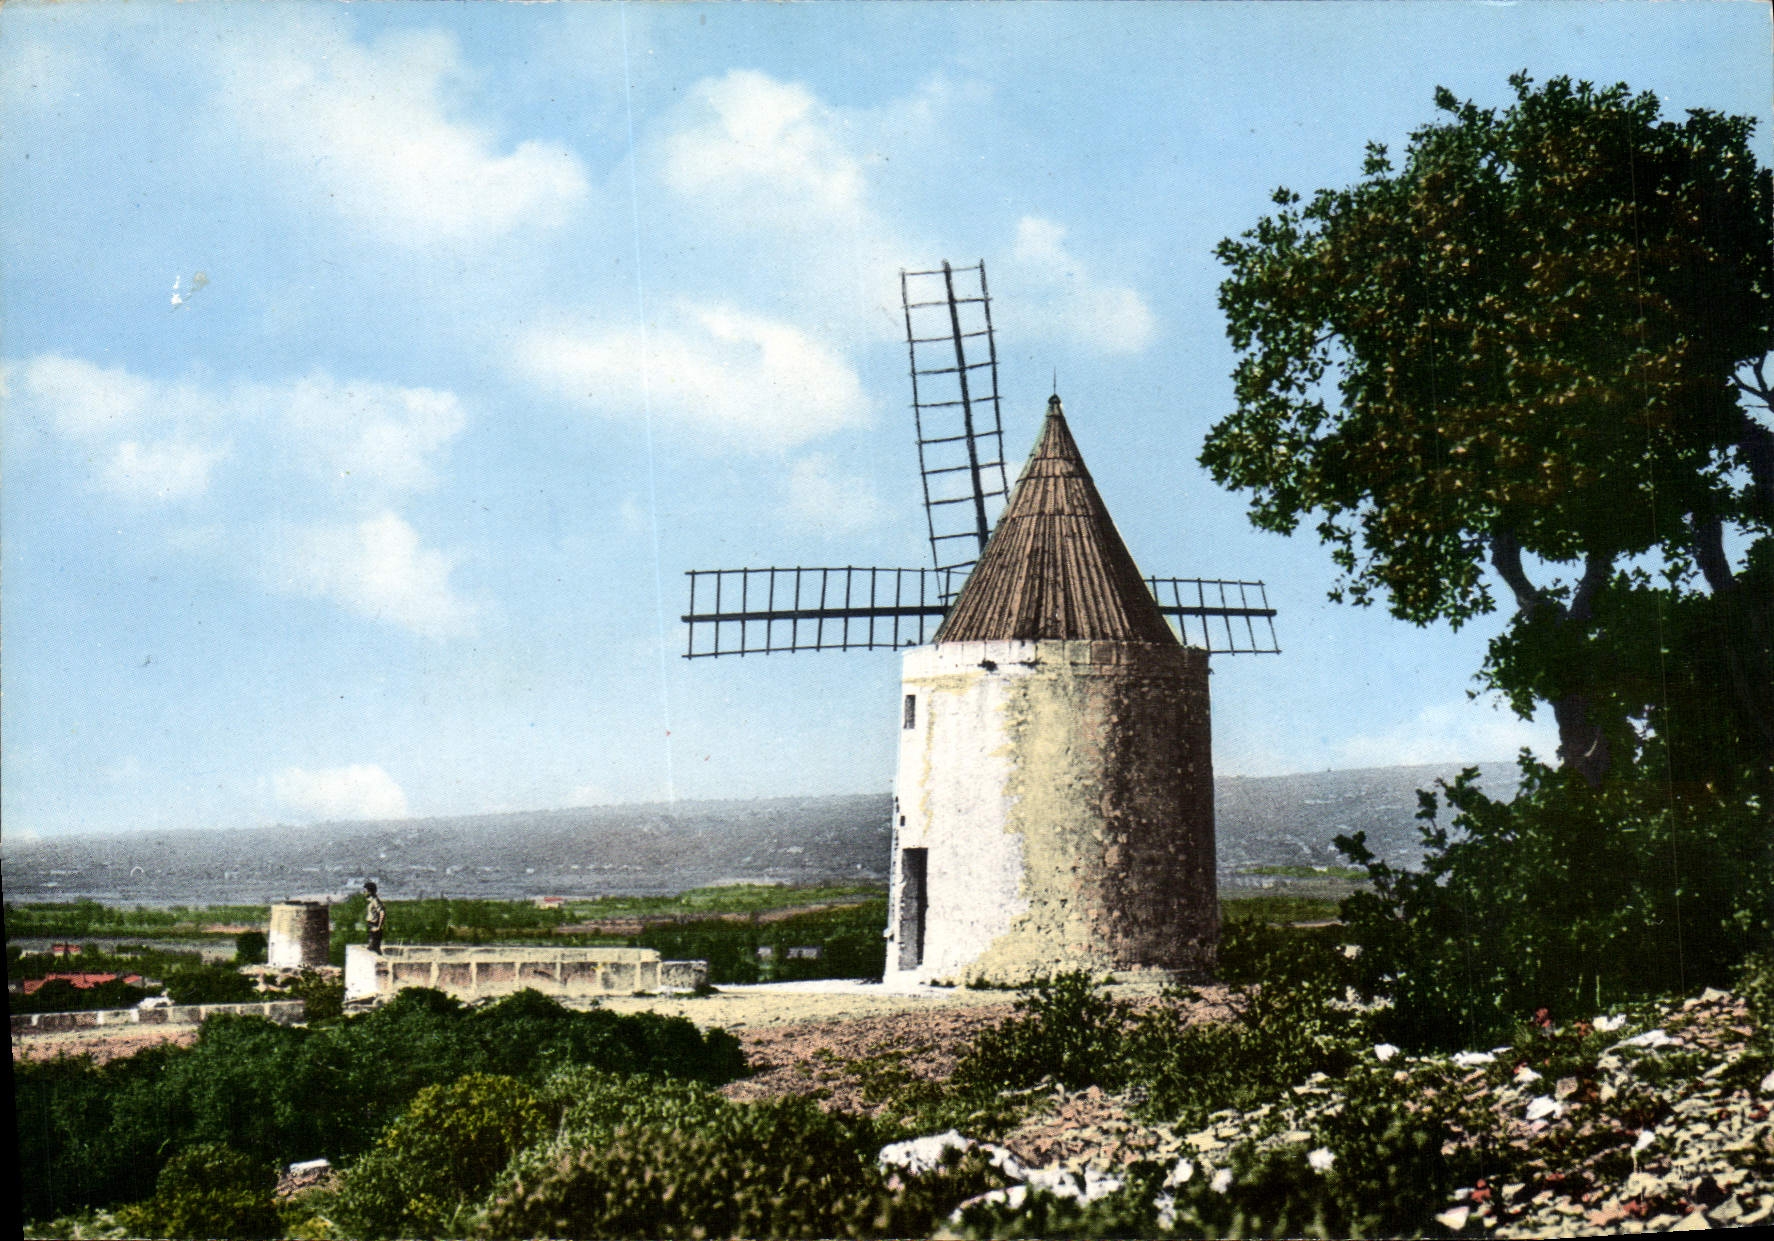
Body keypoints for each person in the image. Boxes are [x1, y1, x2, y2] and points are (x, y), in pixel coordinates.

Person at [363, 881, 386, 953]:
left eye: (365, 891)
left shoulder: (375, 901)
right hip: (370, 925)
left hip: (374, 925)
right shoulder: (371, 900)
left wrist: (379, 926)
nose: (364, 893)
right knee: (371, 947)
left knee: (374, 948)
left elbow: (382, 912)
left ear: (370, 891)